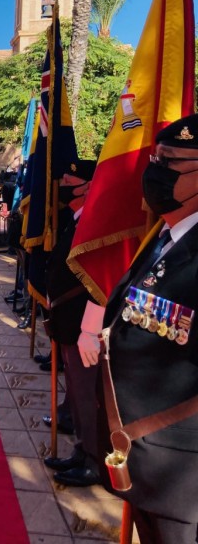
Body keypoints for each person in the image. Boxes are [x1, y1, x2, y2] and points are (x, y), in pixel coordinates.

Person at [76, 114, 198, 542]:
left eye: (172, 164)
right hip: (139, 452)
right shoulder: (164, 237)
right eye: (155, 160)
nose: (155, 174)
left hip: (181, 469)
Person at [41, 160, 100, 488]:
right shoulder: (75, 220)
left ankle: (93, 459)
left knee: (86, 394)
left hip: (82, 324)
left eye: (67, 178)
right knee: (76, 394)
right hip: (68, 324)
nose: (61, 185)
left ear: (88, 186)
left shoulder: (94, 224)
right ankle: (81, 449)